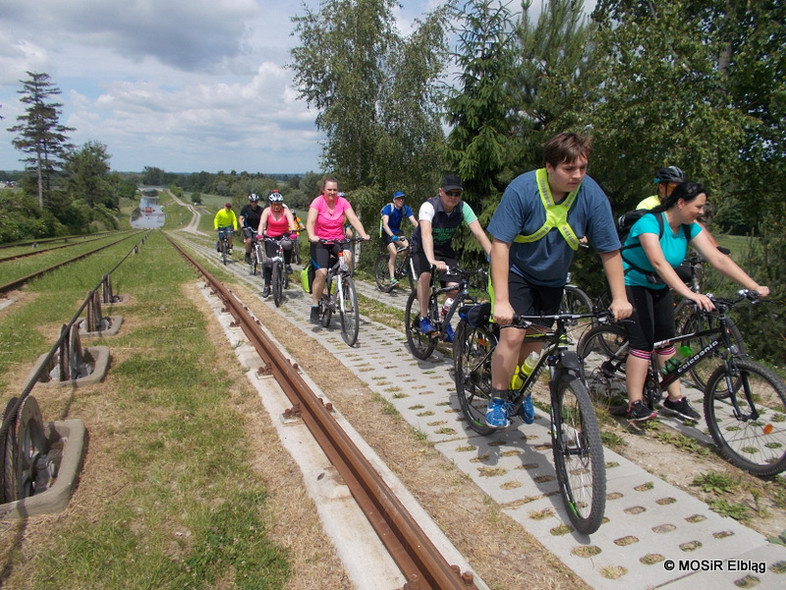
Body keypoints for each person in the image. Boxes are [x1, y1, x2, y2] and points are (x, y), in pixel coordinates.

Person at [486, 132, 633, 429]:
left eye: (582, 168)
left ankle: (521, 390)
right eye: (569, 168)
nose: (577, 175)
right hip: (515, 272)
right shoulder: (523, 189)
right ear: (549, 166)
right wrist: (501, 301)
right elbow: (500, 244)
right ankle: (498, 399)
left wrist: (620, 297)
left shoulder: (591, 195)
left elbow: (609, 249)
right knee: (513, 335)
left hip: (552, 280)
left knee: (536, 340)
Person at [621, 180, 769, 421]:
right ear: (681, 202)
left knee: (667, 343)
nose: (701, 212)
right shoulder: (650, 223)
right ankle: (634, 403)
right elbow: (659, 263)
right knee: (643, 344)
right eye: (698, 207)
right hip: (632, 281)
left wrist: (753, 286)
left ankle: (674, 398)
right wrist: (689, 294)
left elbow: (717, 258)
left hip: (658, 283)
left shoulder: (688, 227)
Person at [409, 174, 492, 343]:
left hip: (444, 249)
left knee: (454, 287)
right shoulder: (429, 206)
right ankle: (424, 318)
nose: (453, 197)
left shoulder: (463, 208)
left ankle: (444, 321)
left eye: (457, 193)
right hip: (421, 247)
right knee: (425, 275)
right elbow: (426, 234)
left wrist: (495, 256)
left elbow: (479, 234)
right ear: (441, 191)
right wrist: (432, 260)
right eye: (449, 193)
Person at [306, 177, 370, 323]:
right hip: (320, 242)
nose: (332, 192)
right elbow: (310, 222)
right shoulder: (317, 202)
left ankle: (346, 283)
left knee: (348, 256)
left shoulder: (342, 202)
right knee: (321, 273)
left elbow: (353, 219)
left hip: (338, 240)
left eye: (335, 190)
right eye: (329, 189)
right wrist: (311, 235)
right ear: (323, 190)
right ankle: (315, 305)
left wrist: (363, 234)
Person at [259, 191, 298, 298]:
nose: (277, 207)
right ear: (271, 204)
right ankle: (267, 286)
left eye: (279, 204)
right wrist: (260, 235)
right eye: (274, 204)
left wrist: (293, 232)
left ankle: (287, 264)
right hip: (270, 236)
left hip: (283, 234)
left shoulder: (285, 211)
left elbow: (291, 222)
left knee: (288, 244)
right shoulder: (267, 211)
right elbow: (262, 223)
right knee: (268, 263)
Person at [381, 191, 418, 286]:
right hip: (386, 232)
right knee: (393, 252)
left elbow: (414, 221)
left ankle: (400, 266)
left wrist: (422, 231)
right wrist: (392, 236)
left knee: (407, 247)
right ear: (394, 200)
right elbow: (385, 224)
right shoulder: (388, 208)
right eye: (398, 198)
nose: (401, 200)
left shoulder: (405, 208)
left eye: (402, 198)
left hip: (397, 231)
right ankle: (392, 279)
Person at [240, 193, 264, 264]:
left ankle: (260, 258)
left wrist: (264, 228)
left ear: (257, 202)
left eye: (255, 201)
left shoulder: (261, 210)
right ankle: (247, 255)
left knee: (259, 241)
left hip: (257, 228)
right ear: (250, 202)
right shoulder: (246, 208)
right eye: (252, 201)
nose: (254, 203)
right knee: (249, 240)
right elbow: (241, 218)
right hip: (248, 227)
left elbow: (264, 220)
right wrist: (242, 226)